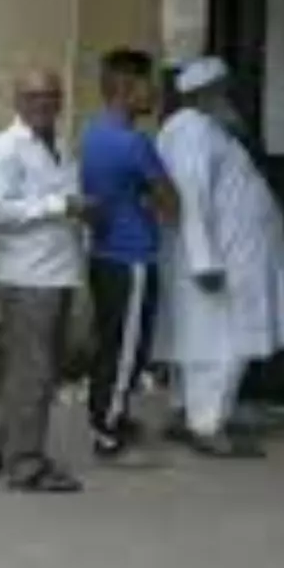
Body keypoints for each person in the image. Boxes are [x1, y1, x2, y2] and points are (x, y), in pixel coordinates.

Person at [155, 58, 284, 458]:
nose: (228, 98)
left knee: (198, 340)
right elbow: (191, 197)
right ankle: (208, 426)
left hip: (224, 254)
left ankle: (188, 414)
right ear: (205, 94)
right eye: (222, 91)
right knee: (222, 344)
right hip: (221, 259)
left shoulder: (202, 129)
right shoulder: (193, 131)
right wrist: (204, 260)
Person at [0, 69, 88, 492]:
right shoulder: (4, 149)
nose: (44, 103)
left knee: (36, 370)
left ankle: (1, 447)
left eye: (52, 95)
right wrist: (60, 205)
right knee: (34, 373)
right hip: (25, 277)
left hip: (58, 272)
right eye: (34, 95)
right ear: (18, 100)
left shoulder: (60, 143)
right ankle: (26, 465)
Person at [79, 48, 179, 463]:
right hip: (132, 257)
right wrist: (150, 199)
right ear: (125, 87)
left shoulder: (91, 134)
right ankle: (108, 436)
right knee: (126, 351)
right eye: (146, 84)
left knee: (110, 343)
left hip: (103, 254)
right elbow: (171, 203)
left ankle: (110, 416)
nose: (153, 92)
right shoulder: (135, 143)